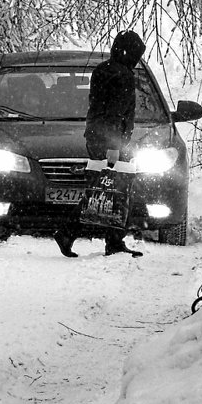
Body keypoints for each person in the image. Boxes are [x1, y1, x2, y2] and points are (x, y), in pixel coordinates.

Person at [55, 31, 146, 258]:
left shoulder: (102, 70)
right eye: (137, 54)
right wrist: (114, 146)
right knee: (116, 189)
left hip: (95, 136)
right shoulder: (122, 75)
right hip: (111, 140)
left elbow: (100, 108)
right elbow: (115, 114)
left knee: (102, 188)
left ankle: (76, 234)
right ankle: (92, 236)